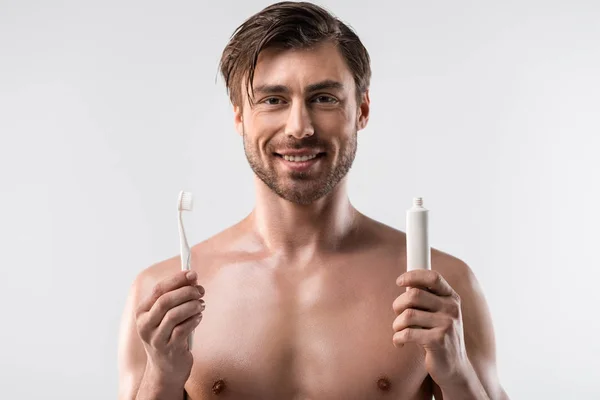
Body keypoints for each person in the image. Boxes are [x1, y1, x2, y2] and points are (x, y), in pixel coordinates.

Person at [117, 2, 509, 399]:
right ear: (239, 117)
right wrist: (162, 378)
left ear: (362, 109)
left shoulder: (442, 288)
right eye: (273, 100)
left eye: (324, 98)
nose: (299, 127)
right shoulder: (160, 299)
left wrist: (458, 374)